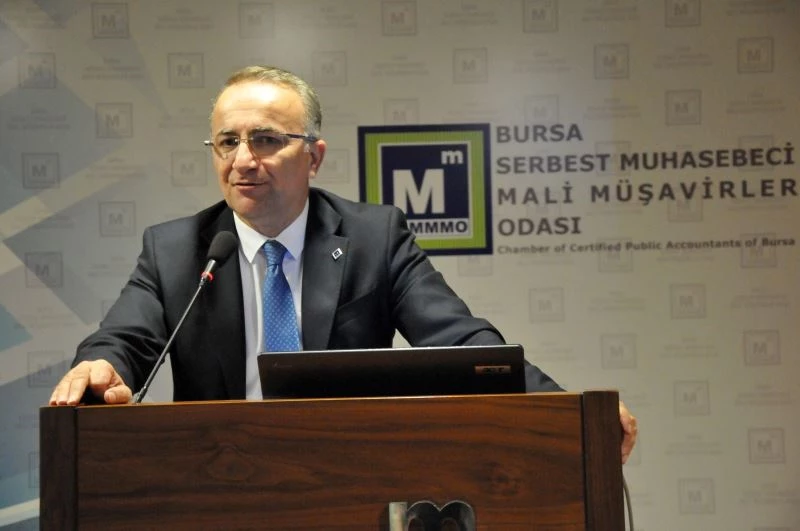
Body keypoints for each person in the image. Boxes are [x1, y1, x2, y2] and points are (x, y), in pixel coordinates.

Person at [49, 65, 638, 463]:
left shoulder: (373, 238)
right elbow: (122, 340)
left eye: (266, 140)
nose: (243, 160)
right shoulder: (178, 250)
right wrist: (99, 367)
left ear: (314, 156)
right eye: (227, 142)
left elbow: (460, 342)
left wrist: (570, 414)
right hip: (220, 474)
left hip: (347, 473)